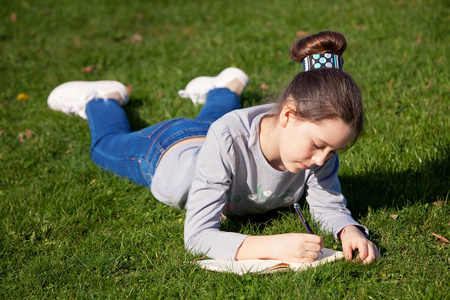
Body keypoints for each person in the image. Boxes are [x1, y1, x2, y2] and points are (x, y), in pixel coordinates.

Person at [48, 31, 380, 264]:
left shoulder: (309, 147)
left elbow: (326, 202)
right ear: (288, 115)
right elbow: (197, 237)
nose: (321, 159)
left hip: (212, 135)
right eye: (318, 145)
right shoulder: (228, 139)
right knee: (104, 147)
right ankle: (102, 100)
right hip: (167, 151)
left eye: (332, 151)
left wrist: (348, 229)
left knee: (216, 124)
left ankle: (224, 88)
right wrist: (274, 245)